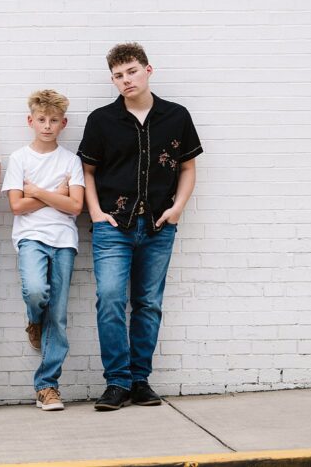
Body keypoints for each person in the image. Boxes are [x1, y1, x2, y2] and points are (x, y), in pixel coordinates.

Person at [78, 42, 202, 411]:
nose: (126, 80)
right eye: (118, 75)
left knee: (148, 303)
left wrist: (177, 209)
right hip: (113, 226)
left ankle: (139, 380)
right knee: (111, 299)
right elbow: (87, 171)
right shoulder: (101, 120)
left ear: (148, 70)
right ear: (112, 80)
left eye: (131, 71)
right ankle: (117, 383)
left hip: (159, 226)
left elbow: (188, 167)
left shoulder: (176, 116)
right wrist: (95, 212)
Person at [2, 89, 85, 412]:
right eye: (41, 120)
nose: (47, 126)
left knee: (58, 316)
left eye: (53, 120)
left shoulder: (71, 161)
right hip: (31, 237)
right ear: (30, 121)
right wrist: (54, 194)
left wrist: (36, 191)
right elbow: (17, 206)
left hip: (64, 240)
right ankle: (34, 320)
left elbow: (75, 206)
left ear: (63, 123)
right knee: (36, 292)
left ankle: (47, 386)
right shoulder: (19, 159)